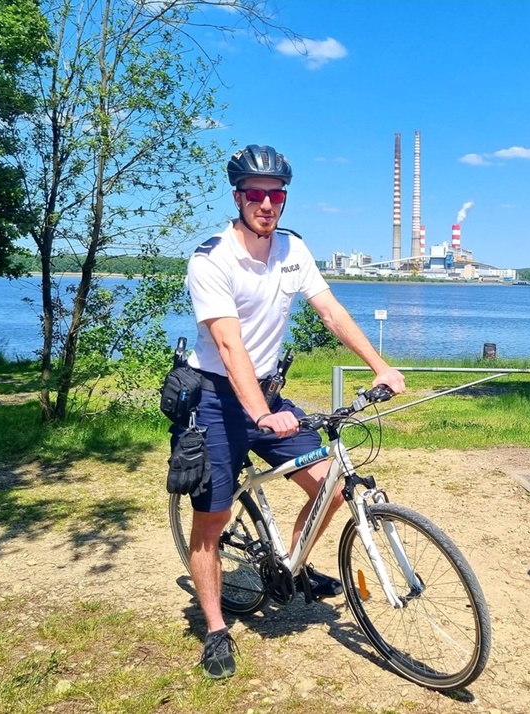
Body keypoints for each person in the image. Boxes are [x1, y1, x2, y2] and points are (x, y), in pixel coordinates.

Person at [179, 144, 406, 679]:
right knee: (211, 518)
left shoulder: (292, 249)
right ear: (238, 197)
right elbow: (230, 348)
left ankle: (290, 563)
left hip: (268, 395)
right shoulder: (211, 259)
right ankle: (215, 629)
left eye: (275, 194)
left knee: (330, 483)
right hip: (214, 397)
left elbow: (331, 312)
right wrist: (258, 414)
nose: (266, 204)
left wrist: (380, 364)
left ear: (284, 199)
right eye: (255, 194)